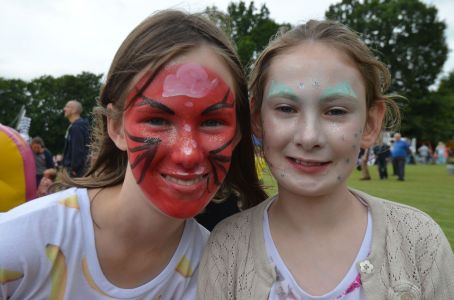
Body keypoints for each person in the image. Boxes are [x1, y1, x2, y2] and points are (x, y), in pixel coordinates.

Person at [0, 10, 266, 299]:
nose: (188, 154)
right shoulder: (17, 245)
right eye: (158, 120)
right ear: (115, 126)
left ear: (238, 133)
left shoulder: (218, 278)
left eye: (212, 122)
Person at [198, 20, 454, 299]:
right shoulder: (227, 247)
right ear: (257, 120)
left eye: (335, 112)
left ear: (370, 124)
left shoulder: (419, 242)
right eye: (286, 108)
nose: (309, 137)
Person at [62, 99, 90, 177]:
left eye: (67, 107)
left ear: (74, 110)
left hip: (75, 172)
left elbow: (77, 149)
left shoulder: (76, 127)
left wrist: (74, 169)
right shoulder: (78, 126)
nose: (64, 109)